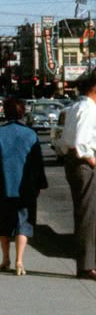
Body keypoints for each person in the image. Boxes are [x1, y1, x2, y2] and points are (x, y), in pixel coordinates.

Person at [0, 97, 47, 276]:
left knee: (4, 220)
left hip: (3, 183)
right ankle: (19, 261)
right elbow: (38, 162)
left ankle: (5, 259)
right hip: (26, 185)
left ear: (5, 112)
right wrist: (40, 183)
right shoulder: (30, 134)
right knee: (23, 221)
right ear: (22, 113)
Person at [59, 71, 96, 279]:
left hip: (74, 162)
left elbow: (66, 139)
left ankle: (87, 262)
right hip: (85, 164)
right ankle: (87, 265)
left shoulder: (75, 107)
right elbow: (81, 142)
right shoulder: (89, 110)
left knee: (86, 212)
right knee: (89, 215)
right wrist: (92, 159)